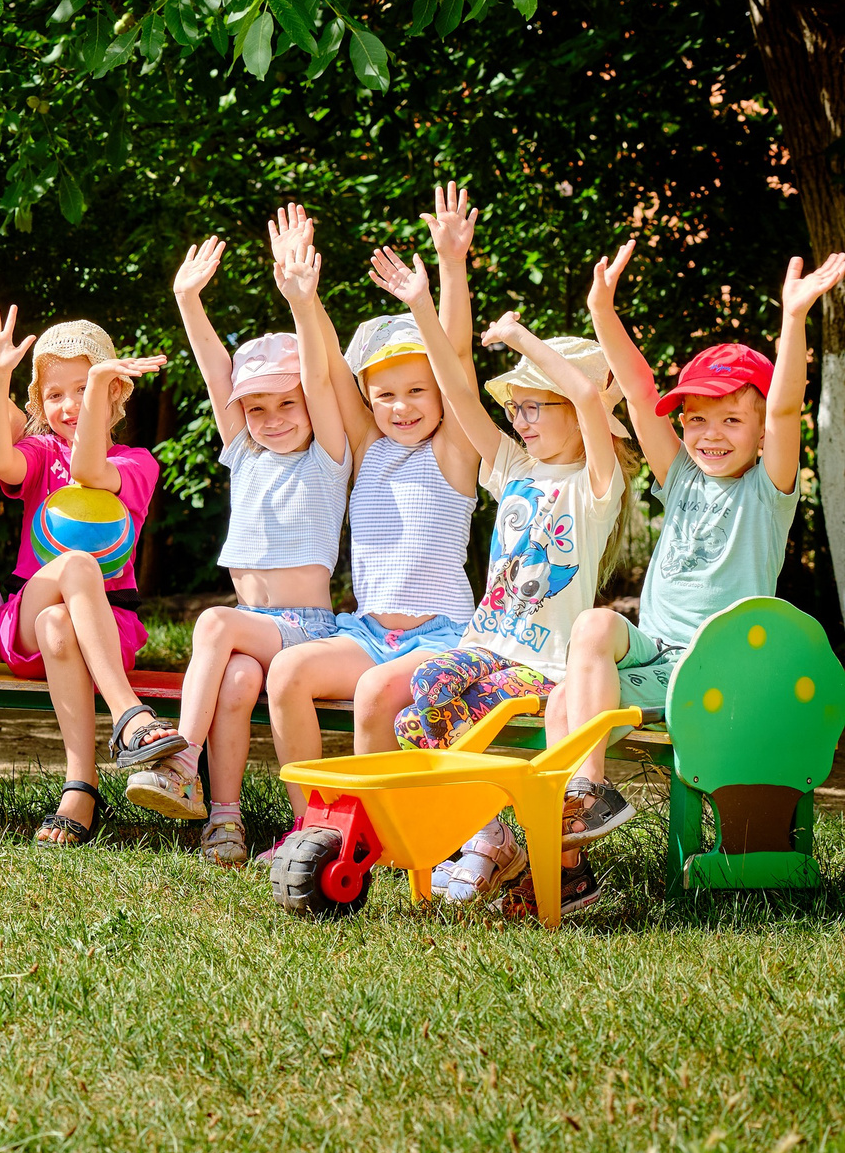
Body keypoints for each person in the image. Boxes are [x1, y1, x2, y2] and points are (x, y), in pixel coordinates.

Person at [559, 242, 845, 868]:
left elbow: (786, 405)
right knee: (587, 641)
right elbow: (637, 391)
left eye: (731, 421)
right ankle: (575, 833)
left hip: (721, 669)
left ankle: (582, 805)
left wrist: (793, 320)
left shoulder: (766, 492)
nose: (709, 435)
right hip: (660, 658)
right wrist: (601, 310)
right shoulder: (683, 475)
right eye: (695, 420)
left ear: (759, 430)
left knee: (580, 672)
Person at [373, 247, 637, 915]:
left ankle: (497, 839)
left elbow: (583, 390)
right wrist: (420, 309)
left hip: (544, 664)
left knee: (438, 713)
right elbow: (459, 392)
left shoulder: (593, 485)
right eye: (515, 407)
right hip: (487, 641)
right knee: (422, 697)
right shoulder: (513, 466)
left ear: (576, 415)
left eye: (531, 406)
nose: (518, 419)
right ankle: (490, 834)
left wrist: (521, 337)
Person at [261, 191, 481, 856]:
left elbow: (459, 361)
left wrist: (448, 267)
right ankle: (316, 832)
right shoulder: (369, 449)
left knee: (372, 696)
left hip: (440, 635)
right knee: (288, 675)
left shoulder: (454, 448)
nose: (402, 405)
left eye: (417, 390)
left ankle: (385, 839)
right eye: (385, 393)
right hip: (368, 628)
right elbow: (325, 372)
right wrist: (304, 299)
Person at [132, 224, 351, 863]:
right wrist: (188, 302)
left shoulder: (327, 457)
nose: (273, 418)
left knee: (211, 625)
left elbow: (319, 372)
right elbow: (213, 368)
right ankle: (224, 820)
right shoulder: (246, 454)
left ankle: (180, 762)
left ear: (311, 404)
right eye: (257, 408)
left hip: (304, 627)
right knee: (231, 681)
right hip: (251, 629)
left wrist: (301, 301)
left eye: (288, 403)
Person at [0, 318, 166, 848]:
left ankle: (80, 786)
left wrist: (100, 383)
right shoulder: (40, 454)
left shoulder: (137, 464)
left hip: (105, 626)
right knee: (77, 567)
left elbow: (89, 466)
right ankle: (128, 714)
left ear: (116, 395)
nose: (69, 405)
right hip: (25, 620)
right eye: (56, 394)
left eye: (86, 390)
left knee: (61, 624)